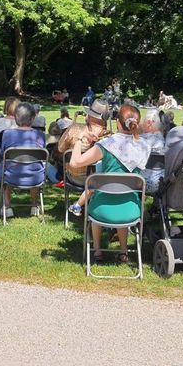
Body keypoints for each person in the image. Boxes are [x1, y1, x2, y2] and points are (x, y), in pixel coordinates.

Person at [68, 102, 148, 263]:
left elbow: (75, 163)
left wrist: (79, 139)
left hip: (102, 209)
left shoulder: (107, 145)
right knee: (122, 197)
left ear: (118, 122)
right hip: (131, 209)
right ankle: (123, 251)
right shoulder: (144, 146)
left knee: (99, 201)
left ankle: (97, 251)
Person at [0, 102, 46, 218]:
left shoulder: (7, 134)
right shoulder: (40, 135)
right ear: (33, 118)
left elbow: (1, 153)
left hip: (11, 176)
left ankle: (8, 207)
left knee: (3, 166)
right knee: (35, 166)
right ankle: (34, 205)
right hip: (35, 177)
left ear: (15, 118)